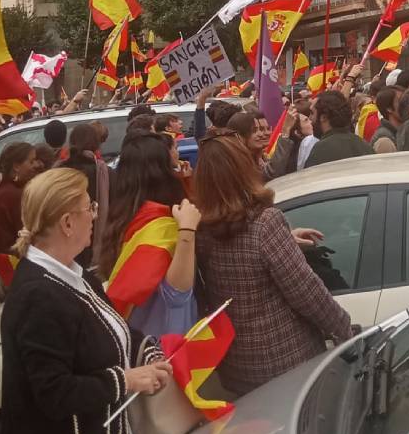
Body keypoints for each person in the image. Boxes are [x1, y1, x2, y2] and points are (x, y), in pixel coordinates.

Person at [0, 168, 172, 434]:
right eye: (89, 207)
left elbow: (109, 330)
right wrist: (126, 380)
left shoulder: (73, 273)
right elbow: (54, 393)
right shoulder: (38, 295)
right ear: (67, 223)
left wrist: (149, 353)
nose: (94, 214)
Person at [194, 130, 351, 396]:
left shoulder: (202, 229)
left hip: (238, 365)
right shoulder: (265, 223)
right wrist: (345, 330)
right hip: (286, 362)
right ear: (243, 170)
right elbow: (305, 291)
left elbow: (239, 257)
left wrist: (285, 239)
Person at [100, 132, 198, 337]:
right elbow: (176, 295)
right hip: (166, 340)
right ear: (160, 173)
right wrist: (187, 232)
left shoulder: (124, 215)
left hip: (135, 333)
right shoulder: (161, 226)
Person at [59, 123, 111, 269]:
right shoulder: (106, 173)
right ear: (96, 143)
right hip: (95, 245)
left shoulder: (58, 171)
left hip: (63, 240)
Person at [0, 142, 44, 254]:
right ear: (16, 166)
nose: (36, 165)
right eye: (31, 161)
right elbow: (29, 233)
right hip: (12, 262)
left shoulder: (0, 186)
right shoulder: (12, 195)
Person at [304, 91, 375, 168]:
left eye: (312, 113)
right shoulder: (364, 145)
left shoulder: (321, 149)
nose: (309, 118)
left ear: (324, 117)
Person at [370, 86, 404, 154]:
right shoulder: (384, 138)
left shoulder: (405, 131)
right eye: (401, 101)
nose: (407, 104)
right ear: (389, 108)